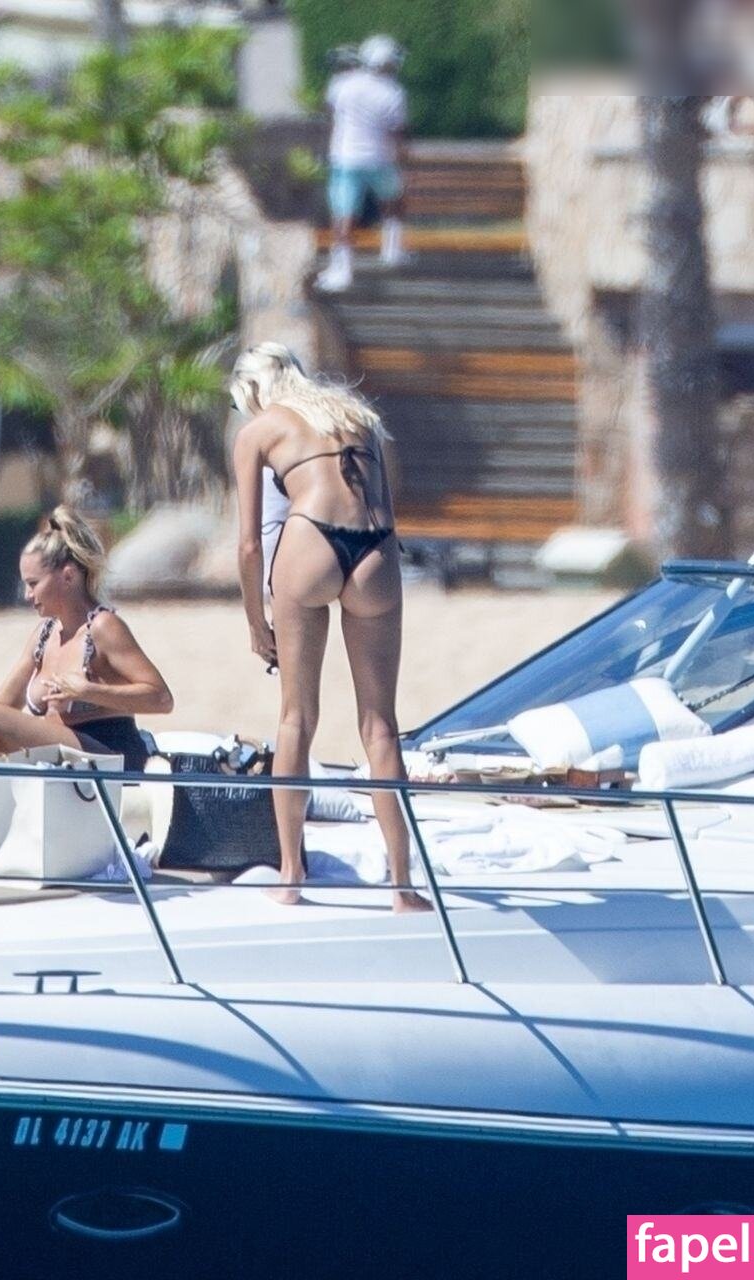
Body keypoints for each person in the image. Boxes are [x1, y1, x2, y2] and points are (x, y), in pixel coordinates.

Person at [230, 341, 430, 913]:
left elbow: (248, 545)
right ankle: (402, 886)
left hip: (310, 542)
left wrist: (256, 621)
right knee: (381, 728)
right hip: (375, 550)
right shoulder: (358, 417)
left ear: (252, 391)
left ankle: (291, 874)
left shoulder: (259, 431)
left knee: (296, 719)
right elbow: (386, 504)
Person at [0, 507, 173, 770]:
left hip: (110, 754)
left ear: (68, 576)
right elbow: (2, 706)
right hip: (63, 758)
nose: (27, 595)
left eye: (33, 584)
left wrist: (90, 692)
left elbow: (161, 699)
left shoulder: (103, 627)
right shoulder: (44, 635)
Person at [317, 34, 409, 294]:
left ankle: (343, 270)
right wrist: (403, 159)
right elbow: (398, 131)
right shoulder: (393, 92)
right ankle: (392, 250)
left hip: (345, 158)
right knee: (394, 202)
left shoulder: (343, 84)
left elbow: (328, 112)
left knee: (344, 215)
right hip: (380, 158)